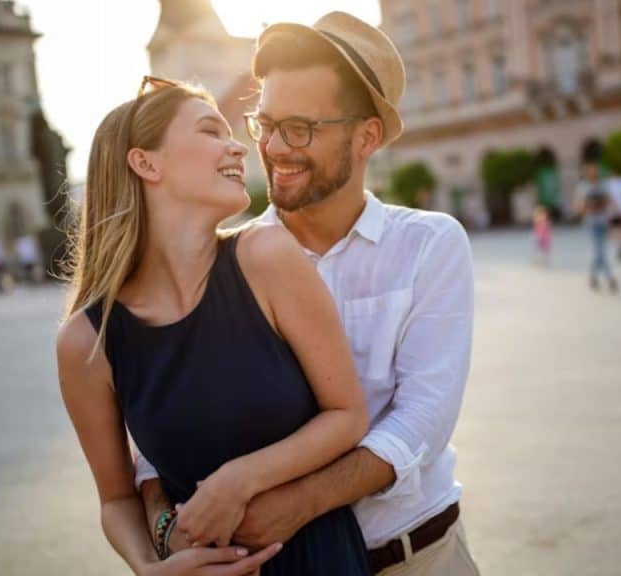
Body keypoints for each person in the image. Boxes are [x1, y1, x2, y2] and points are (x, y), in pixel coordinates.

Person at [136, 13, 479, 576]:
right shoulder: (224, 260)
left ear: (366, 136)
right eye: (263, 124)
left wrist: (300, 504)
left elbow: (423, 416)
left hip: (418, 557)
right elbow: (163, 416)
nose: (272, 147)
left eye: (299, 128)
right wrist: (164, 527)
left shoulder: (428, 244)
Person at [56, 77, 371, 575]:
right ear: (146, 162)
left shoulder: (266, 256)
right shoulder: (85, 342)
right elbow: (116, 499)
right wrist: (150, 564)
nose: (239, 147)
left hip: (319, 561)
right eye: (210, 131)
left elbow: (348, 416)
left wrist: (238, 480)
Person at [576, 164, 618, 292]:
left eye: (595, 171)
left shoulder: (602, 185)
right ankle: (610, 278)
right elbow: (579, 206)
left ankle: (593, 276)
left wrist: (611, 212)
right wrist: (586, 207)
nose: (593, 173)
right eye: (591, 171)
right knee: (600, 251)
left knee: (599, 252)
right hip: (591, 222)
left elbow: (609, 201)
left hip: (603, 221)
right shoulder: (583, 187)